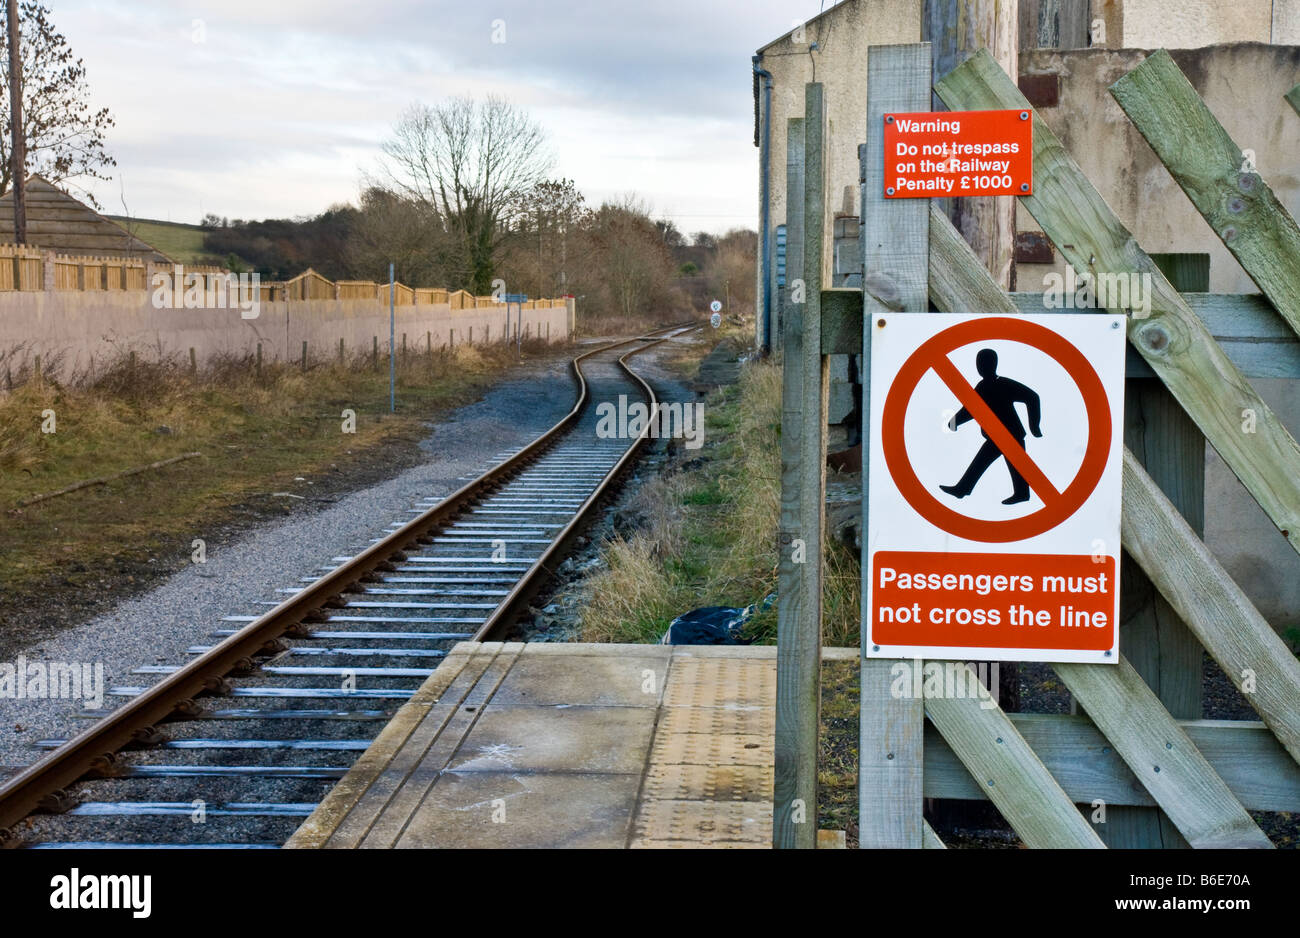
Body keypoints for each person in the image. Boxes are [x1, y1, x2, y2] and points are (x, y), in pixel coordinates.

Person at [939, 348, 1042, 505]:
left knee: (1001, 463)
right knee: (1013, 464)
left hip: (1011, 434)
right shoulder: (982, 387)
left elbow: (1032, 397)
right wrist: (954, 422)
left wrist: (1034, 427)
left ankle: (964, 488)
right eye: (978, 363)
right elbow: (970, 409)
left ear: (993, 364)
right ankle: (1019, 492)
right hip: (997, 435)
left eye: (983, 363)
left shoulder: (1002, 384)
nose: (980, 366)